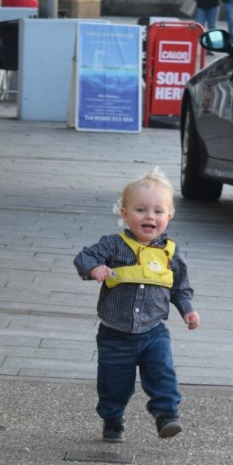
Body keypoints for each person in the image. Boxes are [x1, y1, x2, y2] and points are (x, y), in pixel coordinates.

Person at [74, 167, 200, 443]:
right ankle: (113, 418)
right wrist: (94, 268)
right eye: (141, 210)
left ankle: (166, 415)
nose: (149, 217)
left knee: (163, 374)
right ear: (124, 214)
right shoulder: (113, 245)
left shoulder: (170, 252)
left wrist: (188, 309)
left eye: (157, 211)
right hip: (114, 333)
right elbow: (84, 256)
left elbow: (179, 287)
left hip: (153, 332)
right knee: (113, 384)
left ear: (169, 216)